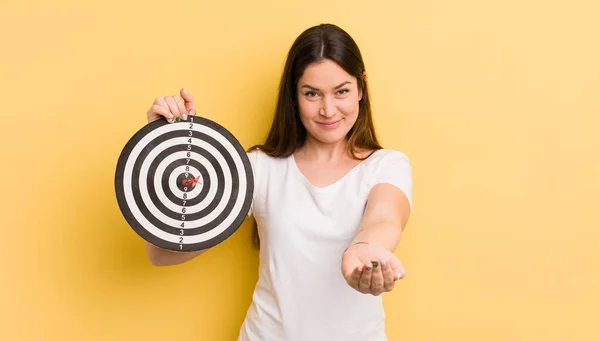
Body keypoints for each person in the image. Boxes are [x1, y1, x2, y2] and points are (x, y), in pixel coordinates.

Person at [143, 23, 412, 341]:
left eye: (341, 91)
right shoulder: (259, 167)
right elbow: (162, 254)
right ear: (294, 95)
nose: (328, 109)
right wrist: (164, 145)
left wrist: (366, 251)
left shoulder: (387, 165)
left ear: (361, 88)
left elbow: (384, 218)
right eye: (312, 93)